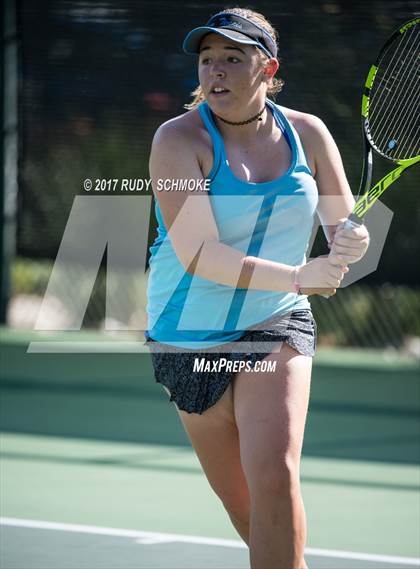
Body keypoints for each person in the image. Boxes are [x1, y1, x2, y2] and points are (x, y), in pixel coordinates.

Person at [144, 8, 369, 569]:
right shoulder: (176, 140)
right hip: (187, 332)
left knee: (275, 474)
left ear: (268, 68)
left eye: (233, 59)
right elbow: (199, 253)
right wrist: (300, 273)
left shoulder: (309, 133)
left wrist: (350, 241)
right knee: (243, 503)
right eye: (208, 60)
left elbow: (344, 225)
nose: (215, 72)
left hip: (277, 321)